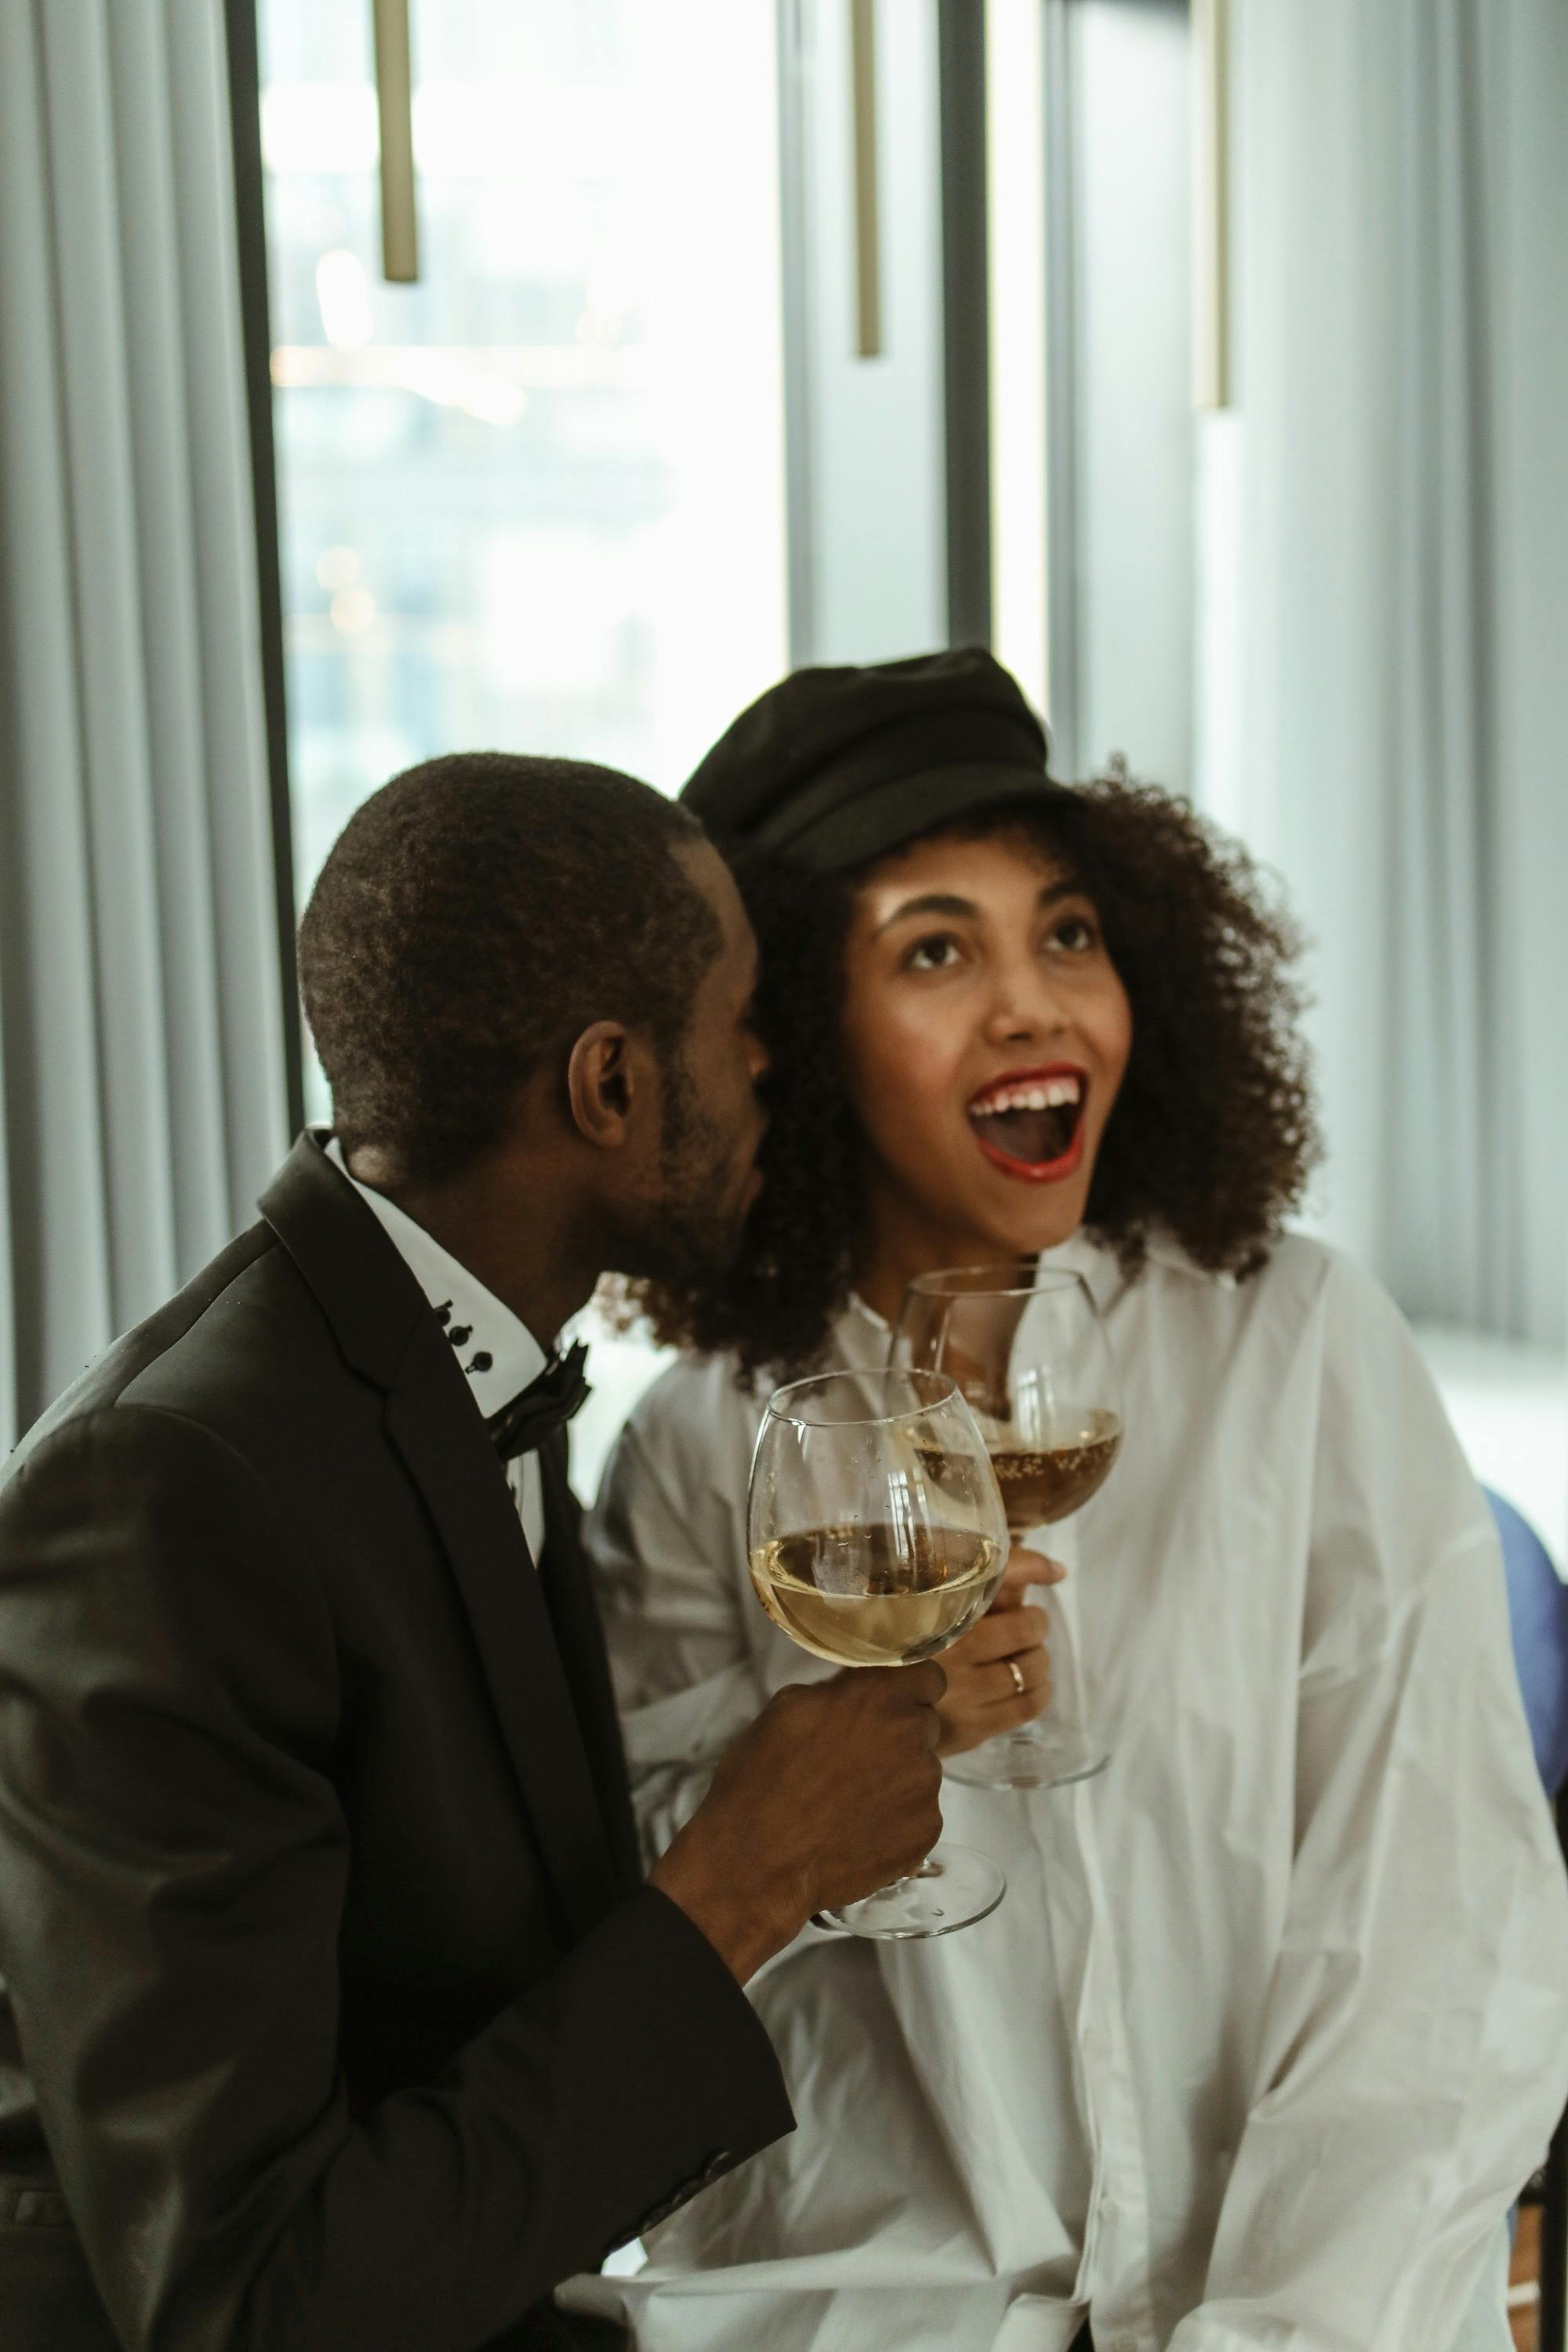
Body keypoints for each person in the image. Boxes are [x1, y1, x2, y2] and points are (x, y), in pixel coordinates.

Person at [575, 653, 1568, 2352]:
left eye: (1069, 934)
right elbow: (681, 2020)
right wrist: (821, 1776)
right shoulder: (697, 1449)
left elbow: (1441, 1967)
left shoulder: (1300, 1350)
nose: (1034, 1007)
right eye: (938, 950)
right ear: (797, 1028)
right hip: (870, 2318)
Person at [0, 753, 952, 2352]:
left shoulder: (463, 1356)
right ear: (608, 1087)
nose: (766, 1062)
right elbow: (259, 2303)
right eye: (733, 1020)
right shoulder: (165, 1494)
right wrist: (745, 1877)